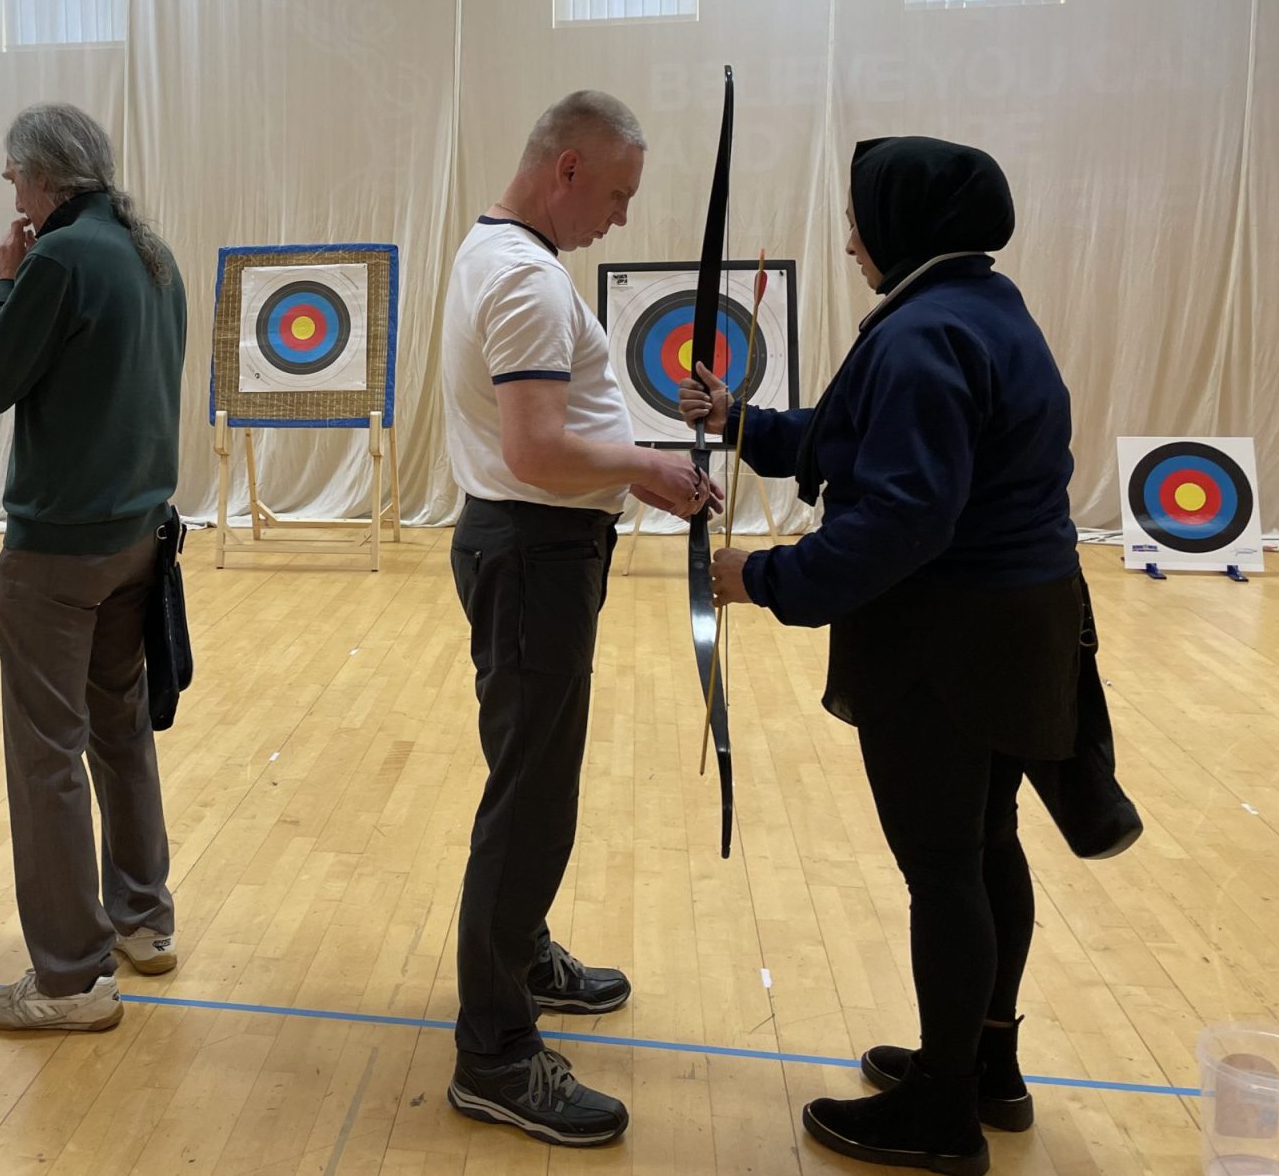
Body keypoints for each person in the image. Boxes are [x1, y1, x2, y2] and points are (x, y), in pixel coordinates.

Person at [681, 137, 1080, 1176]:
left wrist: (758, 577)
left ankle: (939, 1111)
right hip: (1014, 624)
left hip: (943, 642)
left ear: (905, 221)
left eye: (859, 216)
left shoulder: (920, 335)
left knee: (943, 869)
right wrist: (747, 424)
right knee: (985, 846)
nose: (849, 235)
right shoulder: (977, 307)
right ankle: (982, 1064)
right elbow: (862, 435)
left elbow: (901, 510)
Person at [438, 90, 715, 1147]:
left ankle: (520, 952)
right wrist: (651, 465)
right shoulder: (522, 277)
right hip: (532, 551)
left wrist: (637, 461)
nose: (621, 216)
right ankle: (494, 1051)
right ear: (563, 169)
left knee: (533, 774)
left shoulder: (499, 252)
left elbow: (547, 439)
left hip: (533, 549)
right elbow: (537, 450)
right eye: (614, 192)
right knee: (529, 793)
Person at [0, 104, 187, 1034]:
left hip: (57, 551)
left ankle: (69, 978)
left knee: (47, 753)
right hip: (137, 538)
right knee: (119, 729)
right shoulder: (147, 251)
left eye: (14, 178)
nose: (11, 194)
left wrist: (2, 286)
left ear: (44, 179)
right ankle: (143, 919)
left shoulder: (55, 257)